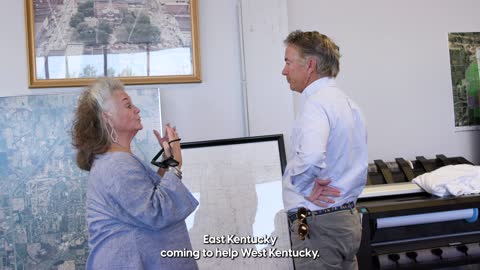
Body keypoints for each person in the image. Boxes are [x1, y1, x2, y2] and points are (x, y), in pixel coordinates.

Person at [72, 77, 199, 270]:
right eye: (128, 105)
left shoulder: (116, 160)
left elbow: (147, 200)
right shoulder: (116, 165)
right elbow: (156, 212)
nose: (137, 109)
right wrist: (175, 163)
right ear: (107, 118)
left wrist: (166, 162)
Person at [281, 30, 368, 269]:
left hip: (315, 222)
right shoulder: (349, 104)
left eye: (288, 62)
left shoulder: (316, 105)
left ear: (310, 65)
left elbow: (310, 157)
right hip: (346, 221)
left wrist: (306, 187)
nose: (284, 70)